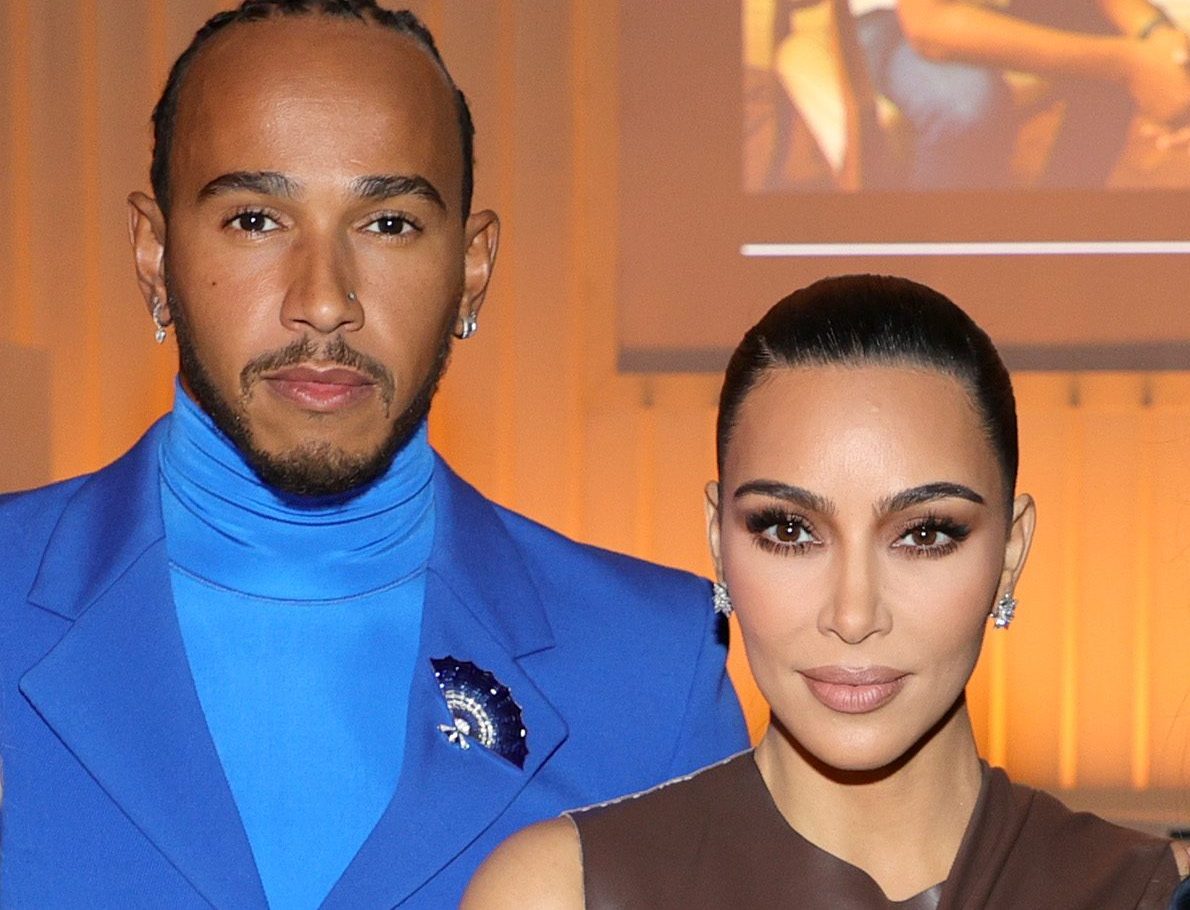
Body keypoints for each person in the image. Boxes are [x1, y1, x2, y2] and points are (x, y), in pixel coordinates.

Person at [0, 2, 747, 907]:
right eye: (255, 219)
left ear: (472, 268)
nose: (324, 301)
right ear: (154, 255)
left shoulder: (652, 674)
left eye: (389, 224)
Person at [463, 274, 1190, 908]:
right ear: (719, 540)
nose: (853, 614)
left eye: (924, 534)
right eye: (789, 530)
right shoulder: (562, 892)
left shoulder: (1150, 894)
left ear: (1010, 553)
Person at [848, 0, 1190, 187]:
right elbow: (930, 28)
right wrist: (1125, 64)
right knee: (965, 111)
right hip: (894, 17)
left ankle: (1059, 226)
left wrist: (1159, 38)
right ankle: (929, 266)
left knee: (1124, 41)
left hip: (1002, 6)